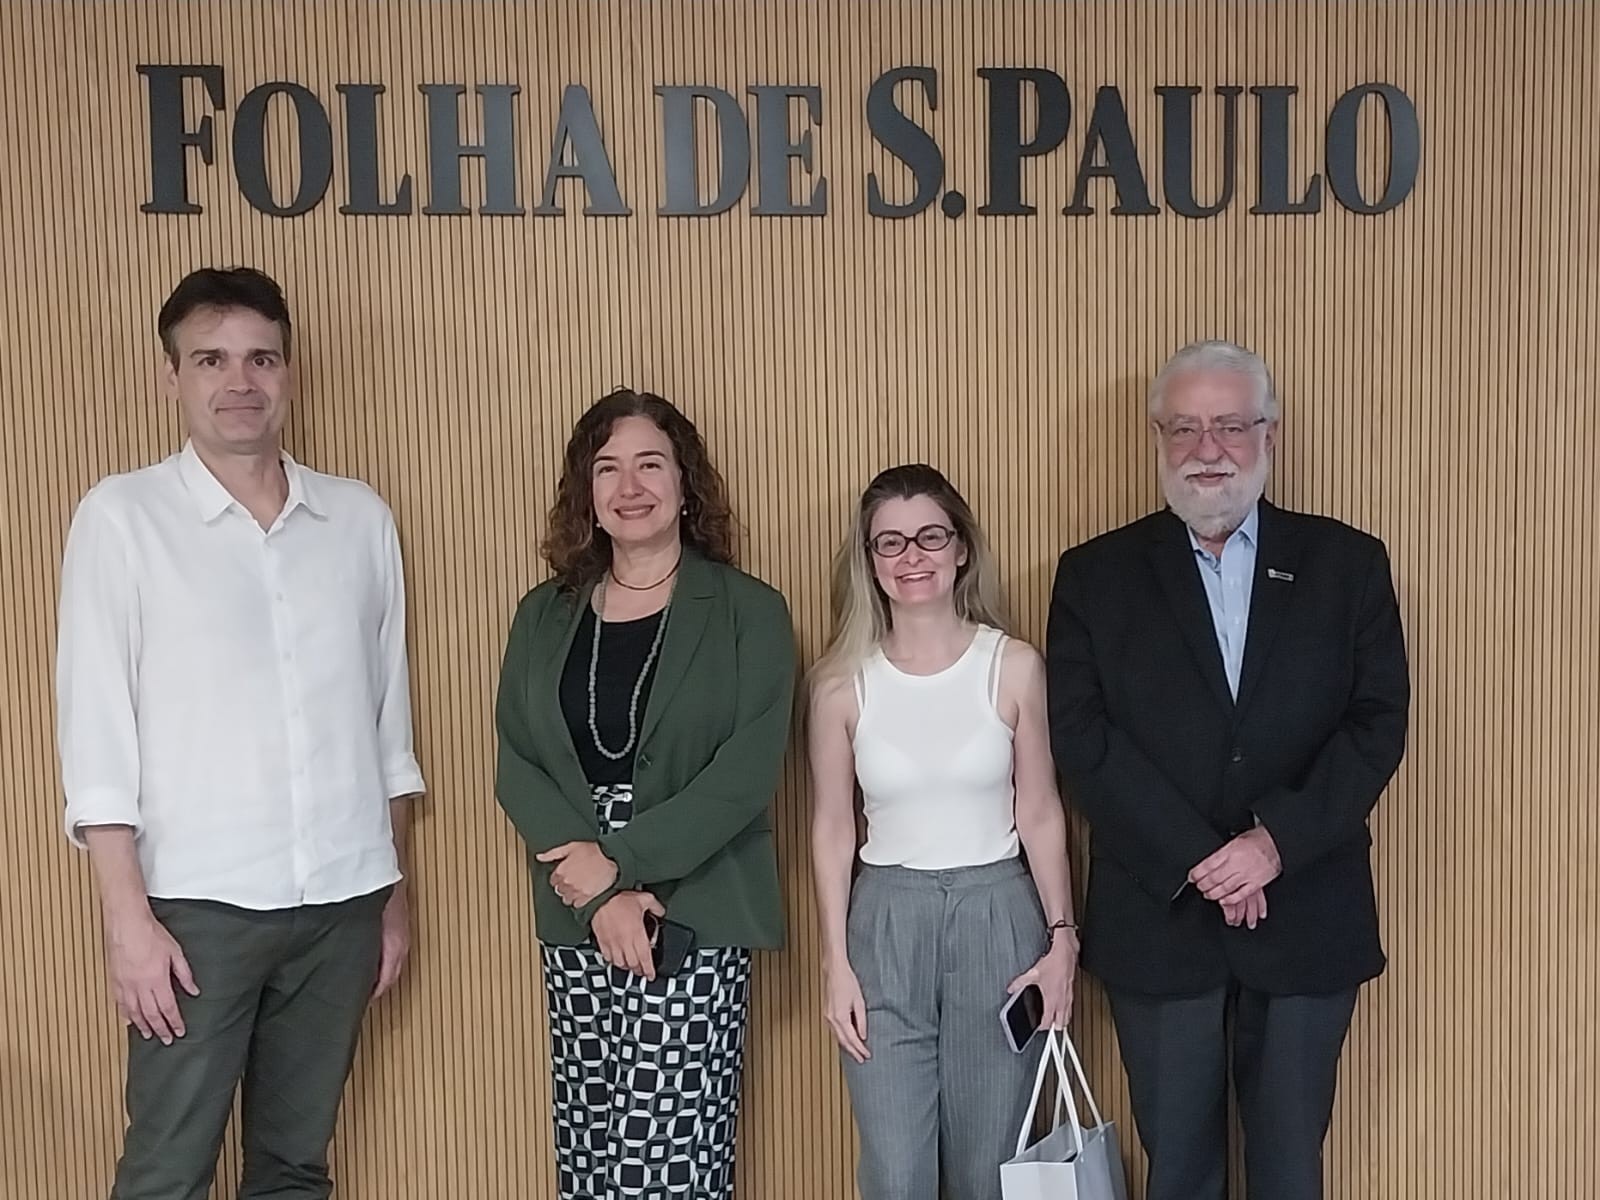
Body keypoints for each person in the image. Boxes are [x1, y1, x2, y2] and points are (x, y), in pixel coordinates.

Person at [55, 266, 424, 1200]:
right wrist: (128, 924)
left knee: (295, 1168)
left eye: (261, 358)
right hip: (196, 911)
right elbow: (97, 740)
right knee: (167, 1172)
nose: (240, 381)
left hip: (342, 902)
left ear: (289, 372)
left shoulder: (358, 518)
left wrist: (390, 895)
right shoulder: (122, 518)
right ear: (171, 377)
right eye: (211, 359)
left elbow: (387, 727)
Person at [1046, 339, 1410, 1200]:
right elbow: (1083, 738)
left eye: (1230, 426)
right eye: (1185, 428)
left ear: (1269, 434)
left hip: (1306, 911)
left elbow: (1377, 724)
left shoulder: (1348, 564)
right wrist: (1206, 860)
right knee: (1178, 1172)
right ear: (1158, 438)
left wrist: (1271, 844)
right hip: (1159, 919)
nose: (1207, 449)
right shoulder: (1094, 575)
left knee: (1289, 1171)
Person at [494, 387, 796, 1200]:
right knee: (592, 1148)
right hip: (573, 898)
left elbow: (747, 772)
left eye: (651, 465)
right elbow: (518, 762)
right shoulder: (543, 615)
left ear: (685, 483)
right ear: (586, 492)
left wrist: (619, 867)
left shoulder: (749, 611)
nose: (630, 486)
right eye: (608, 468)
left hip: (694, 896)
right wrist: (598, 893)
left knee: (668, 1156)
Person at [807, 463, 1079, 1200]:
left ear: (961, 548)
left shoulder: (1013, 666)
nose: (911, 557)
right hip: (885, 926)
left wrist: (1062, 940)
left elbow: (1040, 810)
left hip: (999, 920)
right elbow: (832, 828)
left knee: (990, 1169)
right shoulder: (838, 683)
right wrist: (836, 964)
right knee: (896, 1175)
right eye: (889, 542)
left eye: (930, 536)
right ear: (869, 561)